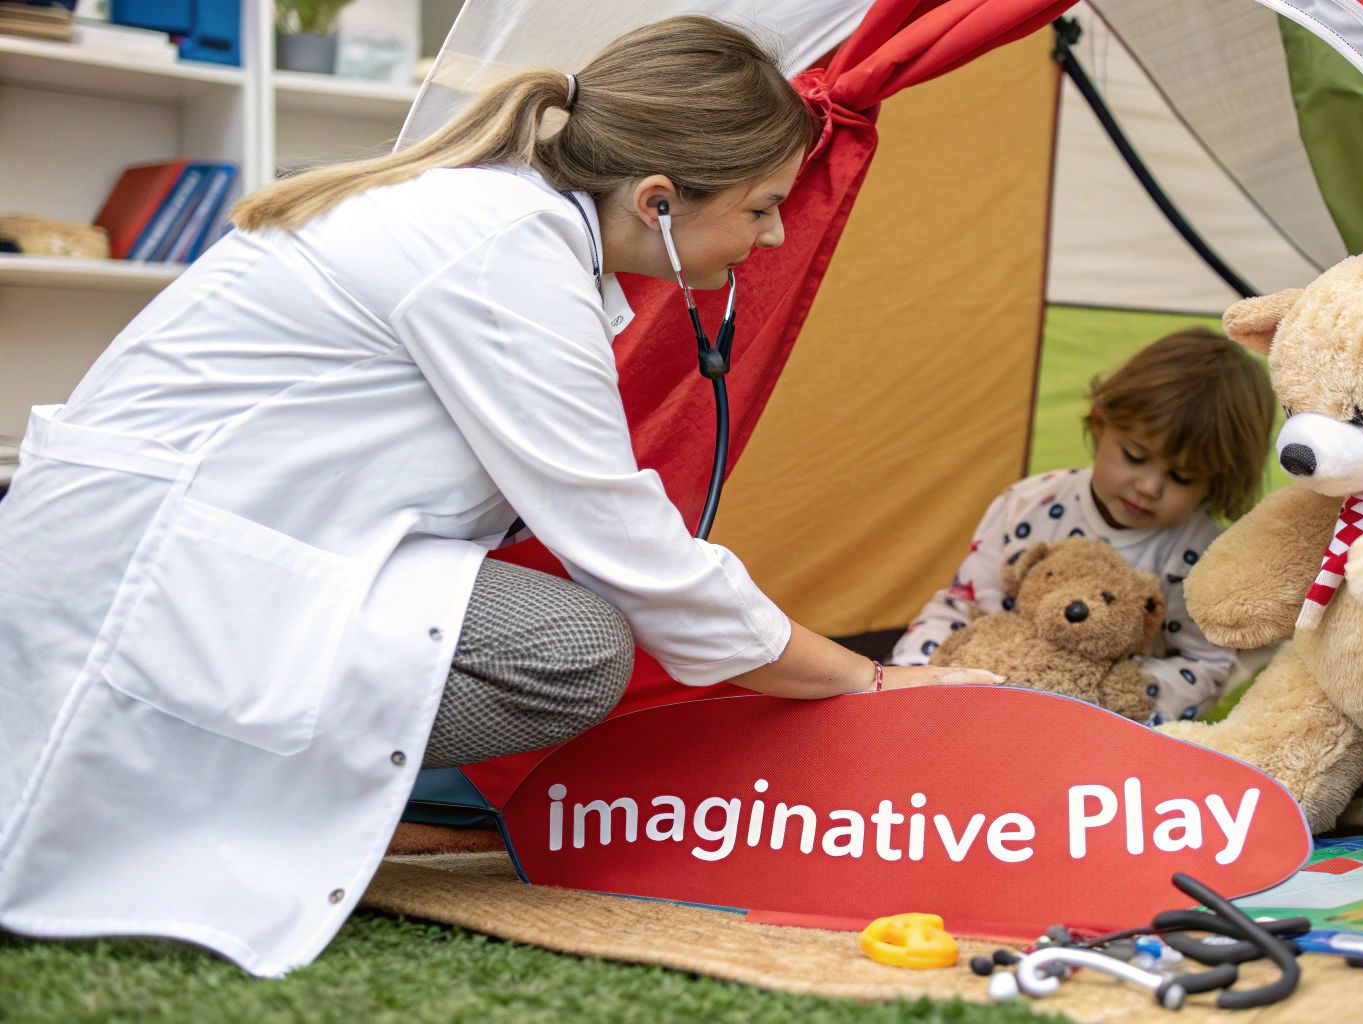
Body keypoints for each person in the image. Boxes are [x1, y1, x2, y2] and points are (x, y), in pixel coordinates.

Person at [0, 16, 997, 977]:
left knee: (558, 636)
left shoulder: (508, 227)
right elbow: (627, 546)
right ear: (657, 197)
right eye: (759, 206)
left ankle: (272, 791)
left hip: (224, 552)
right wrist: (863, 682)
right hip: (147, 572)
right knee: (569, 653)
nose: (775, 235)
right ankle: (241, 796)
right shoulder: (499, 255)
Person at [891, 327, 1276, 724]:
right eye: (1134, 455)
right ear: (1100, 423)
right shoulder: (1028, 503)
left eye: (1182, 478)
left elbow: (1205, 664)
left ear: (1218, 480)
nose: (1148, 487)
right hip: (988, 696)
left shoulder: (1202, 553)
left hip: (1101, 726)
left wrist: (1107, 704)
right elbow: (964, 605)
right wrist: (914, 676)